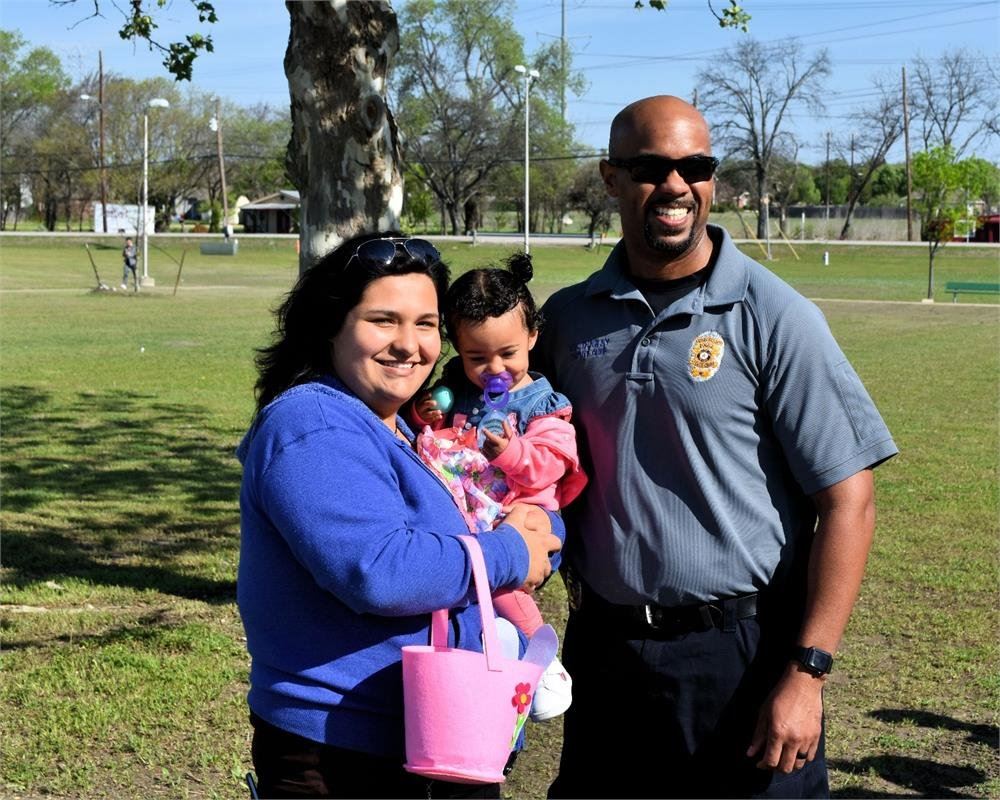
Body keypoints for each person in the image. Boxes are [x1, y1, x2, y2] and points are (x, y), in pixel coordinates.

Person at [534, 95, 899, 799]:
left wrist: (807, 672)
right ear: (611, 180)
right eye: (651, 167)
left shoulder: (775, 315)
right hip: (605, 649)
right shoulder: (570, 319)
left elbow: (849, 501)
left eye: (695, 167)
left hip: (740, 654)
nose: (676, 186)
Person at [236, 232, 563, 799]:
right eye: (384, 320)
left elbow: (486, 512)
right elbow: (380, 570)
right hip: (344, 751)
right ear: (332, 325)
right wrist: (513, 553)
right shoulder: (311, 425)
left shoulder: (409, 428)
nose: (409, 345)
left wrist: (540, 534)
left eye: (427, 324)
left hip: (445, 731)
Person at [412, 254, 588, 722]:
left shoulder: (543, 404)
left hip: (526, 514)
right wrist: (425, 415)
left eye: (508, 353)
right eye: (476, 357)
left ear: (532, 336)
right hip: (470, 515)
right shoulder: (456, 391)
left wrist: (510, 452)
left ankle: (543, 655)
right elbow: (432, 434)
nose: (495, 368)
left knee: (500, 574)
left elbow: (550, 467)